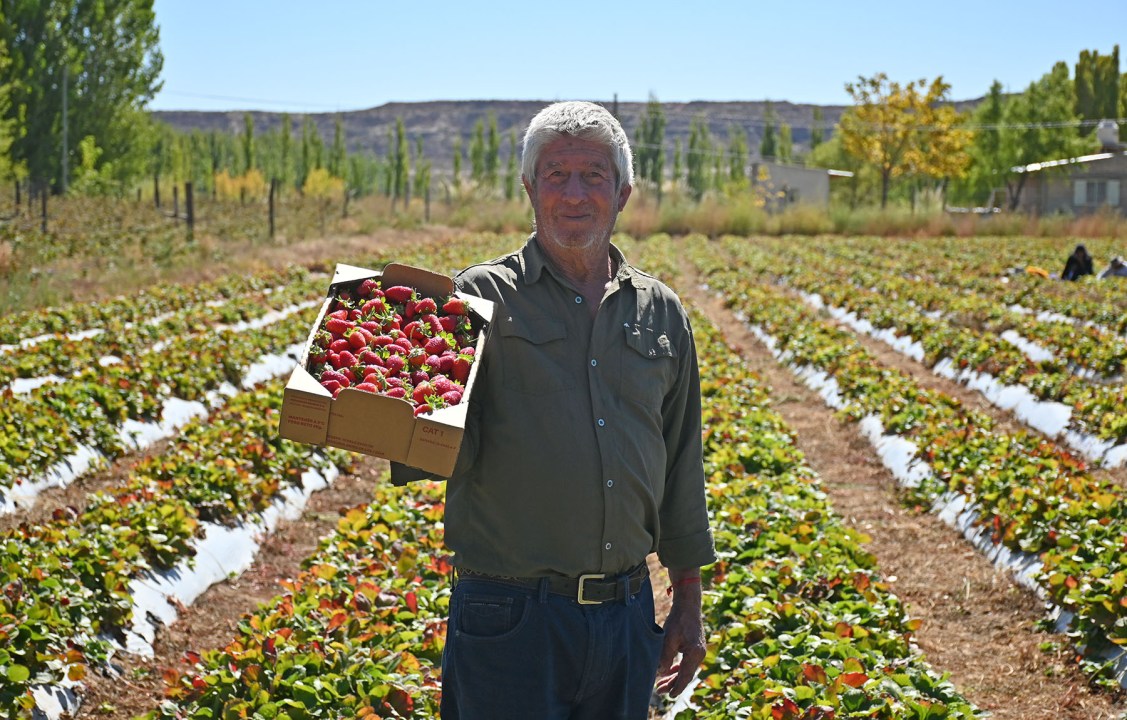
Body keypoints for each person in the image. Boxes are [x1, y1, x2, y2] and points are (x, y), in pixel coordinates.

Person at [394, 100, 715, 719]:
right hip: (510, 617)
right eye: (555, 174)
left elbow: (680, 462)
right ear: (528, 188)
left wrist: (689, 596)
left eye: (593, 175)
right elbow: (425, 446)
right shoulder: (475, 300)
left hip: (626, 616)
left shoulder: (661, 312)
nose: (574, 193)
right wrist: (397, 406)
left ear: (623, 192)